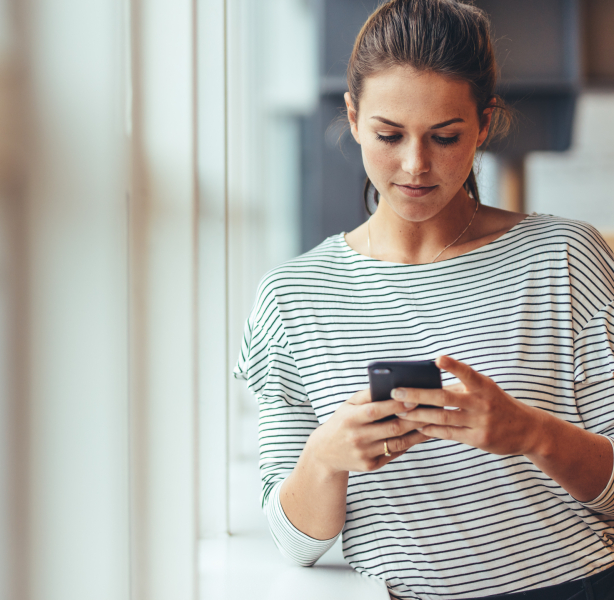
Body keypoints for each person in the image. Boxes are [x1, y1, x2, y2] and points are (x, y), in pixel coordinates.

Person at [234, 1, 614, 598]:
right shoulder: (293, 296)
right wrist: (326, 455)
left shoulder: (565, 256)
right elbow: (296, 543)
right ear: (354, 117)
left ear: (484, 123)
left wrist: (531, 433)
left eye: (445, 136)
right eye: (389, 134)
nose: (415, 165)